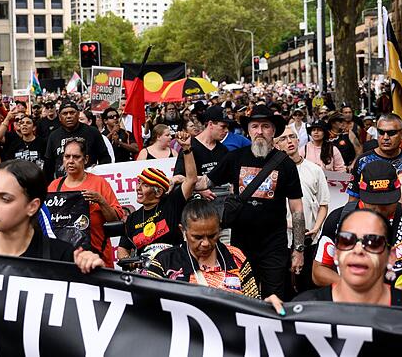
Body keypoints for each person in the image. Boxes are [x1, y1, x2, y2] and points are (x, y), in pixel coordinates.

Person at [268, 209, 402, 324]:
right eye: (347, 240)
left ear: (390, 257)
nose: (358, 250)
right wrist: (265, 320)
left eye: (372, 242)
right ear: (336, 253)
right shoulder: (305, 308)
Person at [199, 104, 305, 300]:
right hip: (241, 245)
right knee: (243, 298)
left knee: (274, 299)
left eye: (265, 126)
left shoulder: (286, 164)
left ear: (273, 131)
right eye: (255, 126)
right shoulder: (235, 158)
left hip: (274, 245)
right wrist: (183, 178)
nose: (260, 132)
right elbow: (205, 181)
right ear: (248, 130)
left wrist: (299, 249)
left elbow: (297, 209)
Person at [315, 160, 402, 300]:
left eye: (387, 202)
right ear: (362, 194)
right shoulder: (338, 220)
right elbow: (319, 271)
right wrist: (355, 289)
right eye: (373, 203)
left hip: (401, 311)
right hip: (350, 308)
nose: (380, 209)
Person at [79, 199, 260, 298]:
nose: (205, 243)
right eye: (197, 237)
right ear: (183, 231)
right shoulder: (164, 262)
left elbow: (254, 303)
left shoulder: (235, 256)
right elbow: (147, 305)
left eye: (212, 236)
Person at [117, 132, 197, 260]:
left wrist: (186, 149)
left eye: (145, 185)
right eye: (138, 183)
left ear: (159, 192)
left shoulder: (172, 203)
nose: (138, 188)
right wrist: (128, 261)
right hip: (145, 272)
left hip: (174, 266)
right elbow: (122, 249)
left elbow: (191, 180)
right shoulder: (132, 219)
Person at [47, 138, 124, 267]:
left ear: (86, 159)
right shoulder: (54, 186)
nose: (71, 161)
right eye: (67, 156)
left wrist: (101, 201)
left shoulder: (99, 183)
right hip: (64, 260)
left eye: (76, 157)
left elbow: (115, 220)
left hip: (98, 257)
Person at [275, 128, 330, 290]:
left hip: (309, 238)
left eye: (292, 137)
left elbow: (323, 204)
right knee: (284, 286)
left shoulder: (314, 169)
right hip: (282, 239)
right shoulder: (272, 172)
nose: (289, 141)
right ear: (276, 145)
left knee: (307, 284)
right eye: (283, 139)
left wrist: (316, 227)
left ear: (299, 140)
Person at [346, 113, 402, 201]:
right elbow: (353, 198)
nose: (385, 137)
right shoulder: (363, 161)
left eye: (391, 133)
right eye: (381, 132)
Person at [42, 101, 111, 179]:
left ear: (78, 114)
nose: (69, 116)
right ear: (59, 117)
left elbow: (105, 158)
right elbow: (48, 166)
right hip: (63, 186)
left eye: (72, 113)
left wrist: (98, 169)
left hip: (89, 183)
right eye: (65, 113)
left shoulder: (92, 132)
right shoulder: (53, 136)